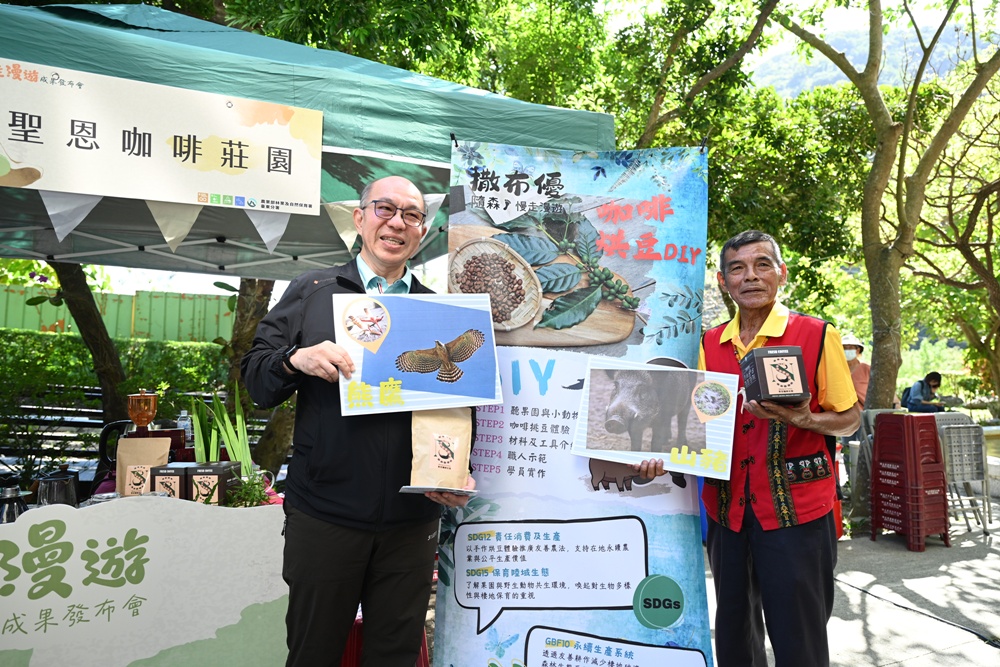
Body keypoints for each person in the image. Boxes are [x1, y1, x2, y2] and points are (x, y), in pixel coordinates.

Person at [241, 176, 475, 667]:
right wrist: (295, 359)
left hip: (411, 521)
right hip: (324, 515)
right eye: (385, 209)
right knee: (313, 653)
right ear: (360, 217)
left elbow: (456, 409)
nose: (397, 223)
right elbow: (257, 381)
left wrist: (456, 472)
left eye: (411, 215)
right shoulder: (314, 291)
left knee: (394, 655)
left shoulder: (439, 311)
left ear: (423, 230)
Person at [635, 230, 860, 667]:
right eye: (737, 268)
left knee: (799, 640)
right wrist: (659, 455)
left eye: (762, 265)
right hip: (727, 514)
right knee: (736, 637)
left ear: (782, 273)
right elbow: (696, 423)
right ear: (723, 281)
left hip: (797, 514)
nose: (750, 276)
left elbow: (849, 418)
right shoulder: (709, 343)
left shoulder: (816, 334)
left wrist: (806, 420)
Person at [841, 333, 870, 408]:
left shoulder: (866, 369)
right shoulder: (836, 370)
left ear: (858, 350)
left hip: (864, 411)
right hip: (843, 412)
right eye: (844, 348)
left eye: (850, 347)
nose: (847, 350)